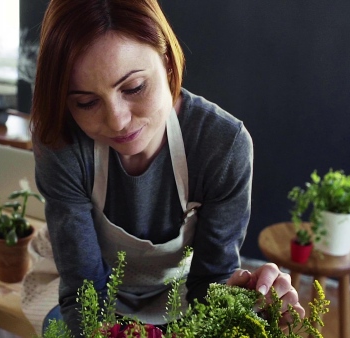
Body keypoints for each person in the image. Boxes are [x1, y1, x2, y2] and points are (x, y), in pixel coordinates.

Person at [28, 0, 304, 335]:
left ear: (168, 64)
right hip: (87, 292)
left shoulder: (221, 145)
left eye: (134, 87)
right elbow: (84, 292)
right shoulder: (61, 143)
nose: (117, 120)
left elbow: (209, 281)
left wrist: (247, 303)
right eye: (86, 102)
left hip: (179, 294)